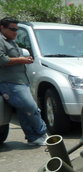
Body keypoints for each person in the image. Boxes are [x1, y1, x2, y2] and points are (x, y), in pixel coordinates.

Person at [0, 17, 48, 146]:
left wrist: (24, 58)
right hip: (10, 83)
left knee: (23, 111)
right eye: (13, 29)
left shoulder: (11, 41)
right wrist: (22, 60)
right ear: (2, 28)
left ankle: (33, 138)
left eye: (17, 29)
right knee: (31, 108)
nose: (15, 32)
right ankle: (42, 132)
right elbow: (3, 60)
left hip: (20, 81)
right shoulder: (1, 41)